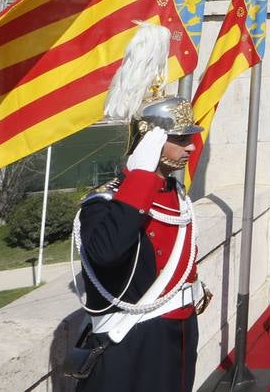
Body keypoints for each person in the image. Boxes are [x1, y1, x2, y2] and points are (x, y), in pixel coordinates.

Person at [72, 25, 210, 392]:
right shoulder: (107, 201)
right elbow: (107, 252)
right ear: (151, 141)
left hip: (178, 329)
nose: (191, 147)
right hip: (134, 337)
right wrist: (140, 174)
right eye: (179, 139)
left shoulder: (173, 195)